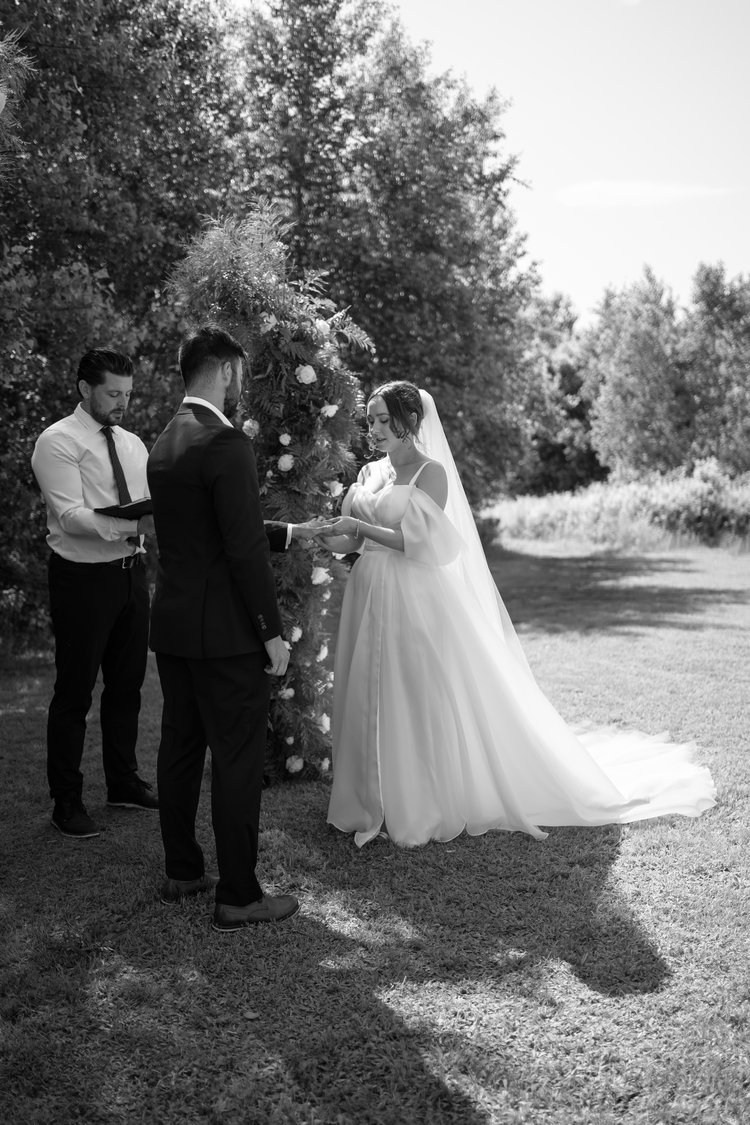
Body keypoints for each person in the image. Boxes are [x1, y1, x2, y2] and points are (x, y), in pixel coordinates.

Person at [320, 381, 716, 847]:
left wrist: (357, 525)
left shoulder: (431, 474)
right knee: (367, 688)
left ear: (411, 422)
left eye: (385, 419)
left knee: (412, 691)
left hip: (412, 596)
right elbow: (352, 541)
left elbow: (419, 544)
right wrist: (325, 535)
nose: (375, 428)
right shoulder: (368, 473)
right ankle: (370, 795)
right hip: (366, 589)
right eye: (371, 420)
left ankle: (420, 799)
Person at [148, 325, 311, 931]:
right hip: (225, 637)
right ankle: (240, 894)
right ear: (224, 370)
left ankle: (183, 870)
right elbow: (242, 548)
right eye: (239, 372)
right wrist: (269, 631)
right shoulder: (225, 443)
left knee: (180, 748)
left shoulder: (163, 443)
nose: (241, 382)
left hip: (175, 628)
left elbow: (205, 534)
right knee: (238, 758)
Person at [31, 349, 159, 840]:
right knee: (74, 692)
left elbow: (147, 500)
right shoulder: (57, 441)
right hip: (81, 580)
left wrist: (148, 523)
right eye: (113, 393)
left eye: (128, 394)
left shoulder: (132, 443)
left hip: (131, 575)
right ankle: (66, 801)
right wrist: (131, 525)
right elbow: (70, 517)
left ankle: (123, 783)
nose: (123, 403)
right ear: (85, 388)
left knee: (127, 687)